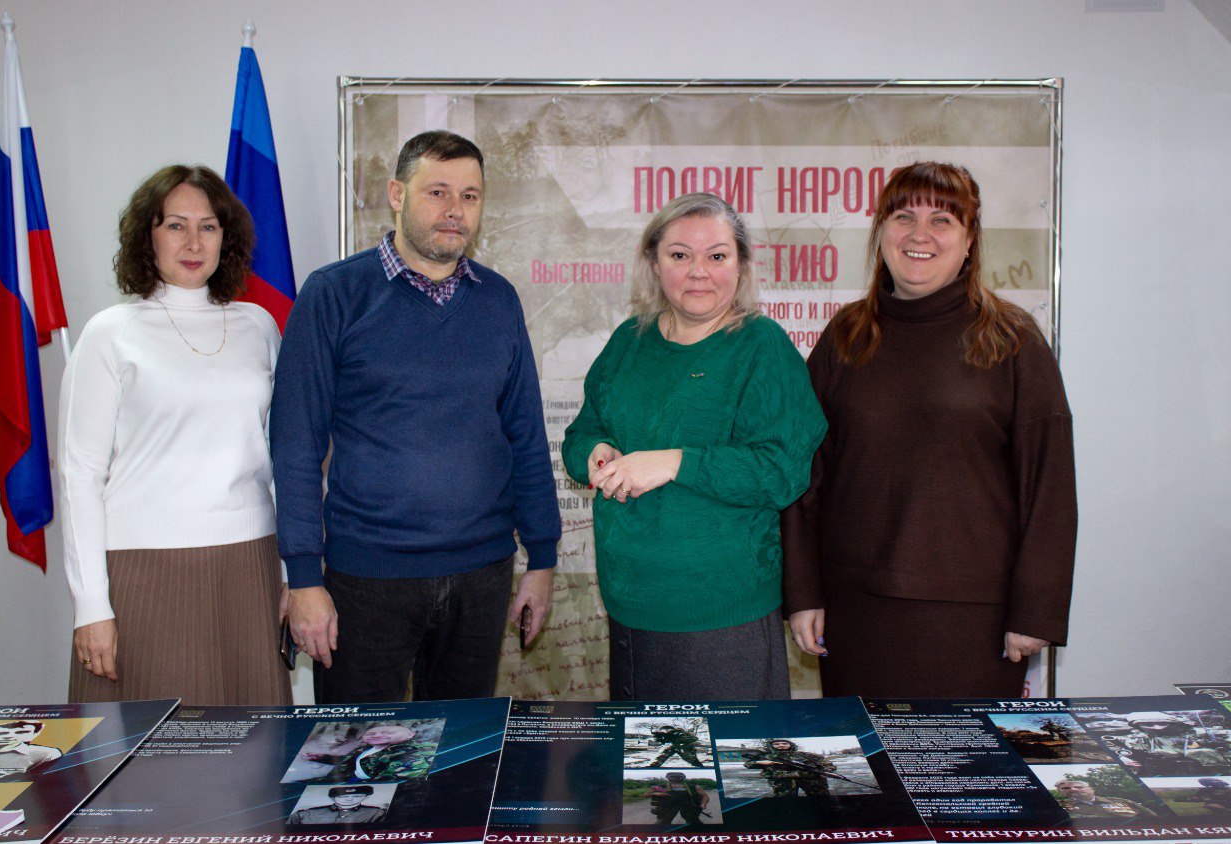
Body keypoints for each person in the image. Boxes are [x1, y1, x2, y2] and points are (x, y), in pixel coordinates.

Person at [272, 130, 560, 703]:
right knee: (353, 752)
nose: (455, 209)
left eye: (470, 196)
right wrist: (302, 578)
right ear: (397, 194)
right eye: (438, 191)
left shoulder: (498, 300)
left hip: (482, 574)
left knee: (462, 750)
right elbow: (295, 444)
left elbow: (525, 435)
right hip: (367, 578)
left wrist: (543, 557)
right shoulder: (334, 294)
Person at [781, 161, 1077, 698]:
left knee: (967, 756)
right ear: (881, 232)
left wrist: (1036, 610)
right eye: (903, 217)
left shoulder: (1012, 340)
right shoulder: (845, 337)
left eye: (942, 220)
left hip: (976, 620)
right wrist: (802, 592)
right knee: (863, 754)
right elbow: (802, 475)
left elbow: (1049, 487)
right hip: (854, 614)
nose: (920, 235)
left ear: (970, 240)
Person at [562, 193, 827, 700]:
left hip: (721, 614)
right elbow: (581, 434)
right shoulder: (628, 341)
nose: (698, 271)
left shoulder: (762, 346)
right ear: (654, 263)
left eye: (717, 256)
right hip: (630, 603)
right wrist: (595, 451)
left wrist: (677, 463)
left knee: (726, 752)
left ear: (741, 265)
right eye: (680, 255)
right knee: (645, 753)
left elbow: (783, 471)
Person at [59, 165, 289, 705]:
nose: (193, 243)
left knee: (255, 743)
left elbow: (282, 459)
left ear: (226, 238)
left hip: (248, 566)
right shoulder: (110, 333)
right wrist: (91, 606)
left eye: (208, 227)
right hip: (144, 570)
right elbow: (79, 475)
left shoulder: (259, 326)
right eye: (175, 226)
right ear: (148, 236)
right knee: (149, 747)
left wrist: (288, 573)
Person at [1118, 712, 1231, 774]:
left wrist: (1203, 743)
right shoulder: (1140, 738)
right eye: (1148, 725)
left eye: (1162, 724)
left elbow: (1225, 742)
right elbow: (1125, 751)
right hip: (1162, 771)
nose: (1157, 728)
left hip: (1211, 770)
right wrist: (1125, 758)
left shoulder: (1199, 733)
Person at [322, 725, 437, 782]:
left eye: (388, 732)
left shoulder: (417, 749)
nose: (377, 735)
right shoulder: (363, 750)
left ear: (410, 734)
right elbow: (345, 764)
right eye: (371, 734)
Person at [741, 739, 835, 798]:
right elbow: (748, 764)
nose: (781, 745)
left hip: (812, 781)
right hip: (783, 783)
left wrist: (825, 771)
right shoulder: (767, 756)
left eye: (784, 743)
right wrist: (760, 762)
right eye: (776, 744)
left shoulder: (806, 755)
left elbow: (828, 765)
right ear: (772, 746)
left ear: (791, 744)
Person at [1054, 779, 1154, 822]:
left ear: (1091, 789)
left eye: (1079, 787)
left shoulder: (1122, 801)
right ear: (1061, 792)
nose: (1073, 790)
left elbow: (1152, 817)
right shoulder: (1057, 806)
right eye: (1066, 788)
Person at [289, 785, 386, 826]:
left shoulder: (377, 813)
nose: (349, 799)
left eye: (357, 796)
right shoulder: (306, 814)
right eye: (343, 796)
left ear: (366, 797)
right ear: (332, 798)